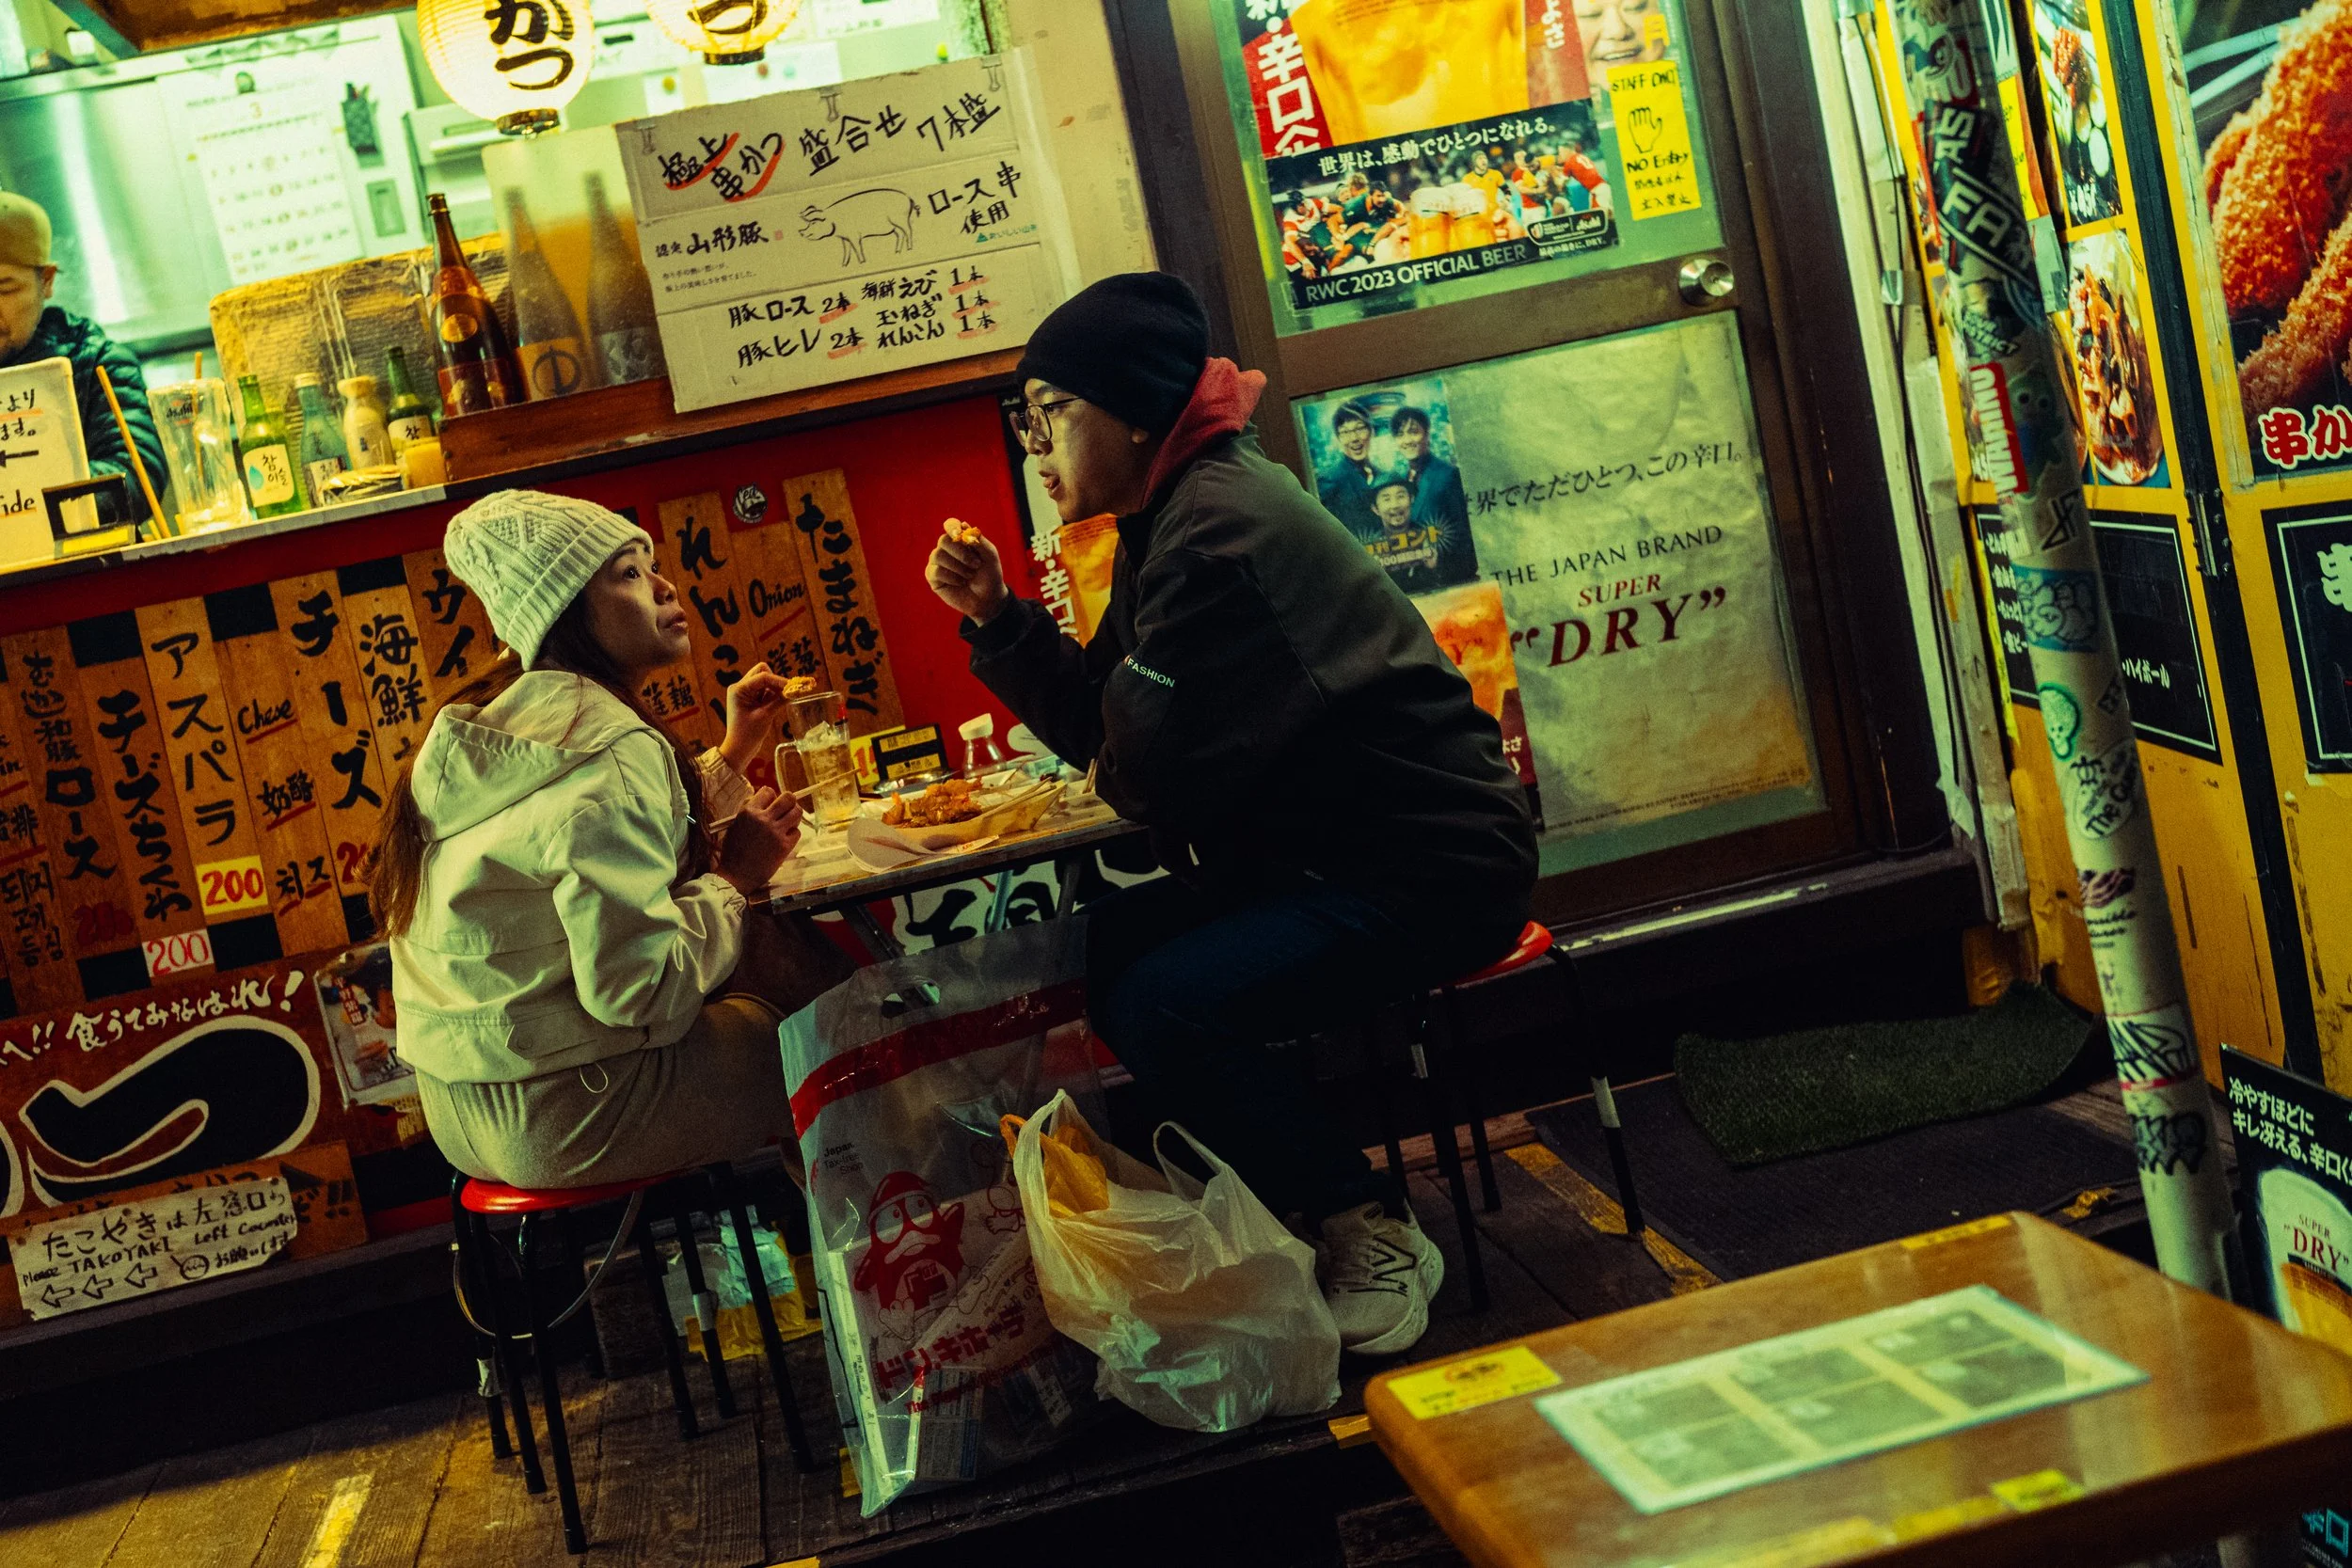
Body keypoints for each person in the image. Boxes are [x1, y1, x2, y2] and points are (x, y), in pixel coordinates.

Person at [924, 274, 1536, 1355]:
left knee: (1165, 1001)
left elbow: (1140, 771)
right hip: (1339, 857)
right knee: (1106, 955)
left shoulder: (1212, 533)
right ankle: (1287, 1204)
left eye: (1050, 410)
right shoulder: (1180, 509)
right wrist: (999, 619)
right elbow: (1114, 731)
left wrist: (1119, 738)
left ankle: (1368, 1224)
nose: (1033, 443)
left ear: (1134, 411)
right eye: (1027, 417)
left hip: (1431, 868)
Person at [371, 490, 852, 1189]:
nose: (664, 585)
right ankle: (917, 1246)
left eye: (651, 566)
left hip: (462, 1112)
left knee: (754, 962)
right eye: (627, 573)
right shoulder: (607, 747)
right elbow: (639, 988)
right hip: (571, 1116)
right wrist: (734, 881)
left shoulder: (497, 727)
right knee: (828, 1030)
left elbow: (593, 839)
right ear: (565, 612)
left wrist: (732, 753)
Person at [0, 193, 164, 524]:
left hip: (86, 571)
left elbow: (137, 475)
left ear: (46, 281)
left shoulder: (97, 364)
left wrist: (28, 494)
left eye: (4, 289)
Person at [1391, 406, 1476, 585]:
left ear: (1427, 433)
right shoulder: (1402, 481)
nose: (1407, 440)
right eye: (1400, 435)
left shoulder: (1448, 476)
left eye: (1413, 432)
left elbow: (1465, 538)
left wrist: (1441, 566)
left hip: (1449, 581)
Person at [1316, 402, 1383, 542]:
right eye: (1346, 432)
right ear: (1338, 438)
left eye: (1360, 429)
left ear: (1371, 432)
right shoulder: (1328, 480)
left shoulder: (1383, 476)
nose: (1354, 438)